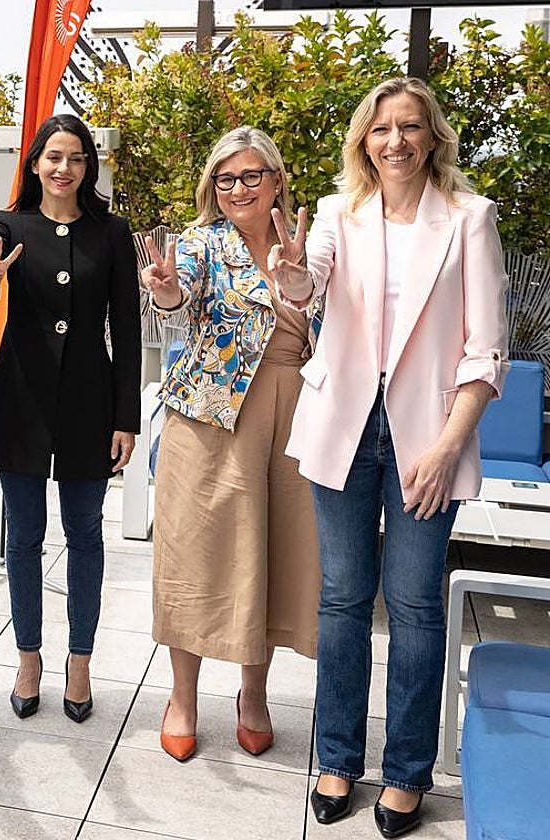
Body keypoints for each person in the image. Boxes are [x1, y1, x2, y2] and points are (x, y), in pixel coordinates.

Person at [271, 77, 508, 837]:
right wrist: (290, 278)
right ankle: (337, 758)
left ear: (432, 135)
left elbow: (485, 351)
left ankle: (407, 771)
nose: (395, 140)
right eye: (381, 129)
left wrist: (446, 448)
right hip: (344, 424)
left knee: (412, 606)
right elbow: (310, 289)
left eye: (410, 126)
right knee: (341, 601)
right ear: (363, 140)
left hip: (425, 441)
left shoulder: (470, 219)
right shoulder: (340, 214)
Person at [141, 127, 321, 762]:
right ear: (213, 189)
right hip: (211, 416)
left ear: (276, 179)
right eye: (226, 179)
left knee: (270, 551)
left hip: (297, 409)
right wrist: (165, 291)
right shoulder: (199, 242)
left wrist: (299, 281)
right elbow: (176, 292)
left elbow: (331, 312)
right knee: (194, 556)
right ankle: (182, 696)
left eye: (251, 176)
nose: (239, 188)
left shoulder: (313, 240)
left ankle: (254, 693)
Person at [0, 114, 140, 724]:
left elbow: (126, 326)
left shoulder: (112, 233)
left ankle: (79, 660)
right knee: (23, 537)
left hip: (90, 402)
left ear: (88, 167)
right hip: (22, 397)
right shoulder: (10, 224)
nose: (63, 168)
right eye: (53, 156)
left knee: (86, 534)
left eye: (75, 157)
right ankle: (27, 659)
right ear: (35, 163)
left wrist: (127, 416)